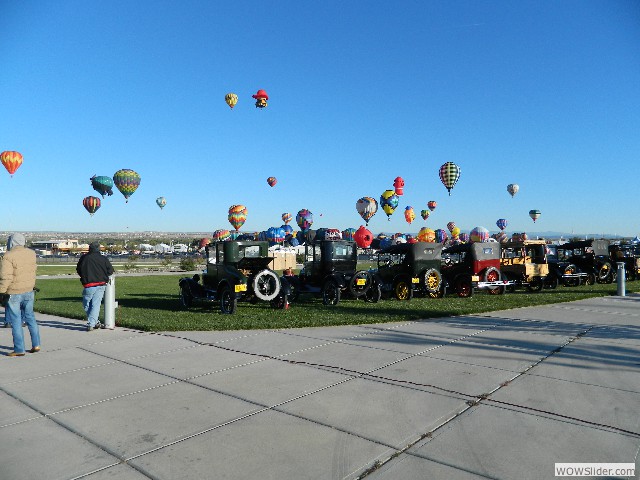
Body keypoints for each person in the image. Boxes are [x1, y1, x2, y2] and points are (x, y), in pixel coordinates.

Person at [0, 233, 40, 357]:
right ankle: (36, 344)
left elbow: (5, 277)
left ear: (11, 242)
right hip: (29, 290)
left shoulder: (7, 256)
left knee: (16, 321)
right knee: (30, 318)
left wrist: (1, 291)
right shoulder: (31, 254)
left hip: (14, 292)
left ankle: (19, 349)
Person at [76, 242, 114, 331]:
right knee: (94, 305)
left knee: (87, 304)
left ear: (89, 248)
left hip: (88, 284)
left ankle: (91, 324)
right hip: (101, 284)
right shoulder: (103, 258)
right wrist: (103, 275)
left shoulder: (84, 258)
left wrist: (84, 276)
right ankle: (95, 322)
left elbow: (78, 269)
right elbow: (110, 271)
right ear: (98, 248)